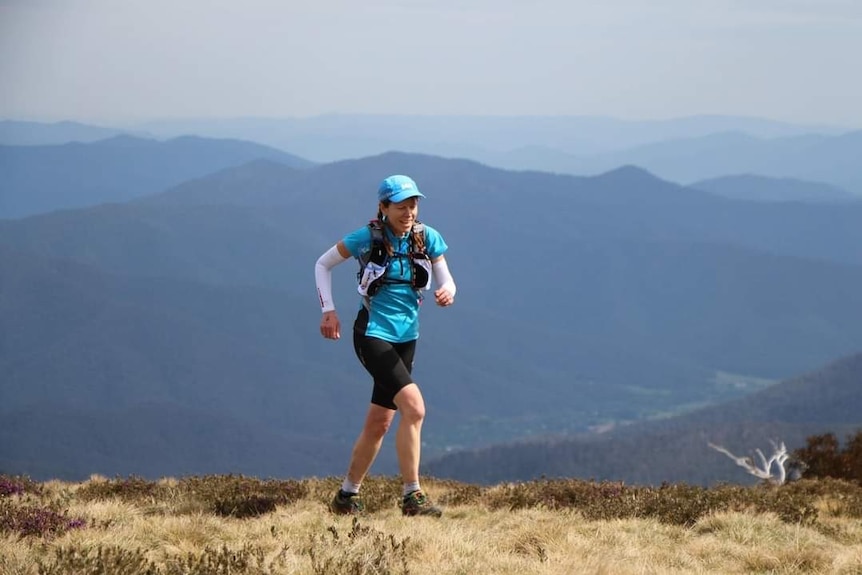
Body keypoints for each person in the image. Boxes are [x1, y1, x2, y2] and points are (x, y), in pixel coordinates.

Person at [314, 174, 457, 517]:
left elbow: (446, 277)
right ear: (383, 207)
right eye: (400, 206)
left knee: (380, 421)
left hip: (408, 337)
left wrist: (448, 291)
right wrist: (328, 311)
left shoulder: (427, 237)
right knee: (415, 408)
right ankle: (413, 496)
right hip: (373, 335)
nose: (408, 212)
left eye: (413, 205)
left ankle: (347, 496)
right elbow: (323, 264)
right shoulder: (366, 237)